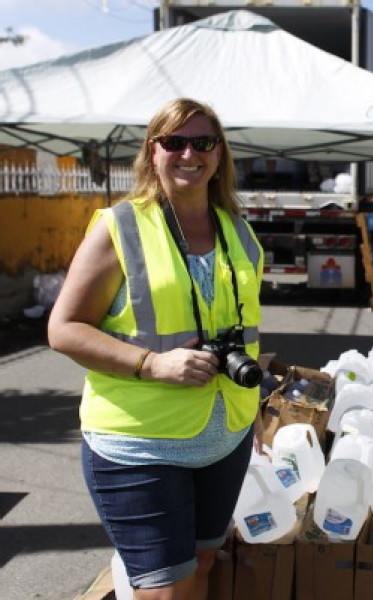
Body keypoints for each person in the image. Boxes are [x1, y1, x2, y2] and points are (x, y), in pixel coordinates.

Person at [48, 98, 264, 600]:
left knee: (205, 563)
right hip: (138, 445)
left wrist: (252, 407)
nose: (190, 153)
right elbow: (64, 328)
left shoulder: (239, 231)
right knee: (166, 591)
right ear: (153, 151)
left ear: (219, 154)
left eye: (203, 142)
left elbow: (248, 329)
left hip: (224, 437)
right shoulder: (118, 226)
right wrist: (150, 363)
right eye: (175, 141)